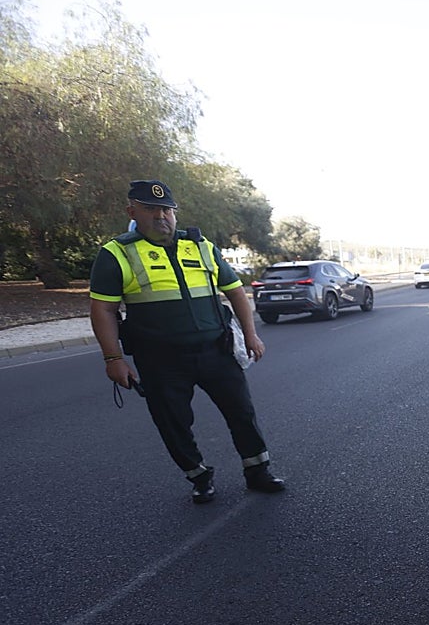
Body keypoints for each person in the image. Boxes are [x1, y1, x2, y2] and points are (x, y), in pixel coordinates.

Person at [89, 179, 285, 504]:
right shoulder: (116, 253)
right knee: (174, 424)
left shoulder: (200, 246)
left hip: (216, 352)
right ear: (132, 211)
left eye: (166, 209)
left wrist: (251, 334)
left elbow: (235, 291)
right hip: (160, 361)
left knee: (242, 413)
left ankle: (258, 471)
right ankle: (198, 475)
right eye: (151, 209)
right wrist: (113, 358)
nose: (161, 215)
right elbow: (103, 309)